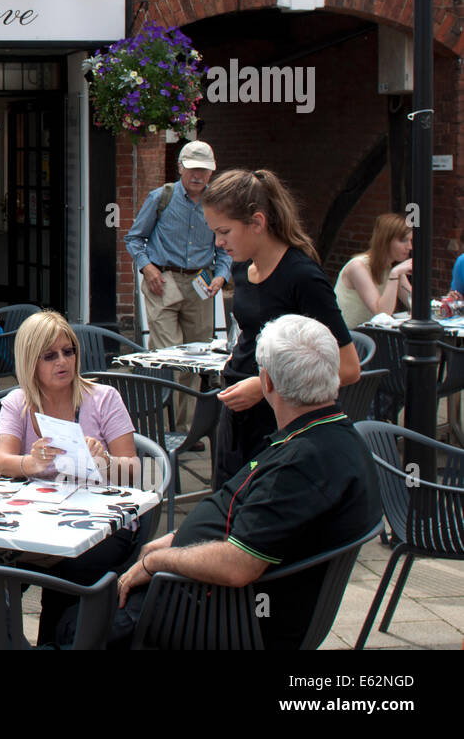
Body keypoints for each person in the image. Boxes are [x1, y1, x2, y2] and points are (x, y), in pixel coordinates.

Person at [102, 314, 381, 650]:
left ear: (267, 383)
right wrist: (176, 538)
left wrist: (157, 561)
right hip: (219, 601)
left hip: (225, 618)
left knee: (78, 624)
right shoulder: (328, 433)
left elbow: (238, 566)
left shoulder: (303, 462)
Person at [201, 169, 359, 488]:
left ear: (257, 223)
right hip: (237, 418)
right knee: (226, 509)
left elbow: (348, 367)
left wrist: (262, 387)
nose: (218, 243)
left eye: (224, 231)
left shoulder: (303, 277)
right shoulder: (244, 267)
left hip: (281, 425)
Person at [0, 310, 139, 643]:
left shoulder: (103, 398)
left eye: (68, 351)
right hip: (42, 517)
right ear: (31, 361)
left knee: (68, 566)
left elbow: (133, 468)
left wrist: (104, 461)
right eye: (50, 355)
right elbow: (2, 460)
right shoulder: (20, 401)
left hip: (102, 522)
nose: (63, 362)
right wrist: (30, 462)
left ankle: (54, 642)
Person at [124, 141, 232, 429]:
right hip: (164, 280)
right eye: (193, 168)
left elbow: (224, 247)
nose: (198, 175)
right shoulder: (161, 197)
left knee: (197, 360)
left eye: (204, 170)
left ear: (212, 173)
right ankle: (162, 423)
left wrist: (222, 275)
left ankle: (186, 429)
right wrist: (147, 268)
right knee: (170, 356)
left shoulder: (218, 203)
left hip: (201, 283)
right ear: (181, 167)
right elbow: (134, 238)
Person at [335, 212, 414, 327]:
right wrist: (395, 274)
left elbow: (418, 306)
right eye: (403, 240)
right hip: (348, 338)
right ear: (386, 241)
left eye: (411, 241)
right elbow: (381, 313)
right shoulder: (358, 266)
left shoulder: (391, 269)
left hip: (371, 336)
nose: (410, 247)